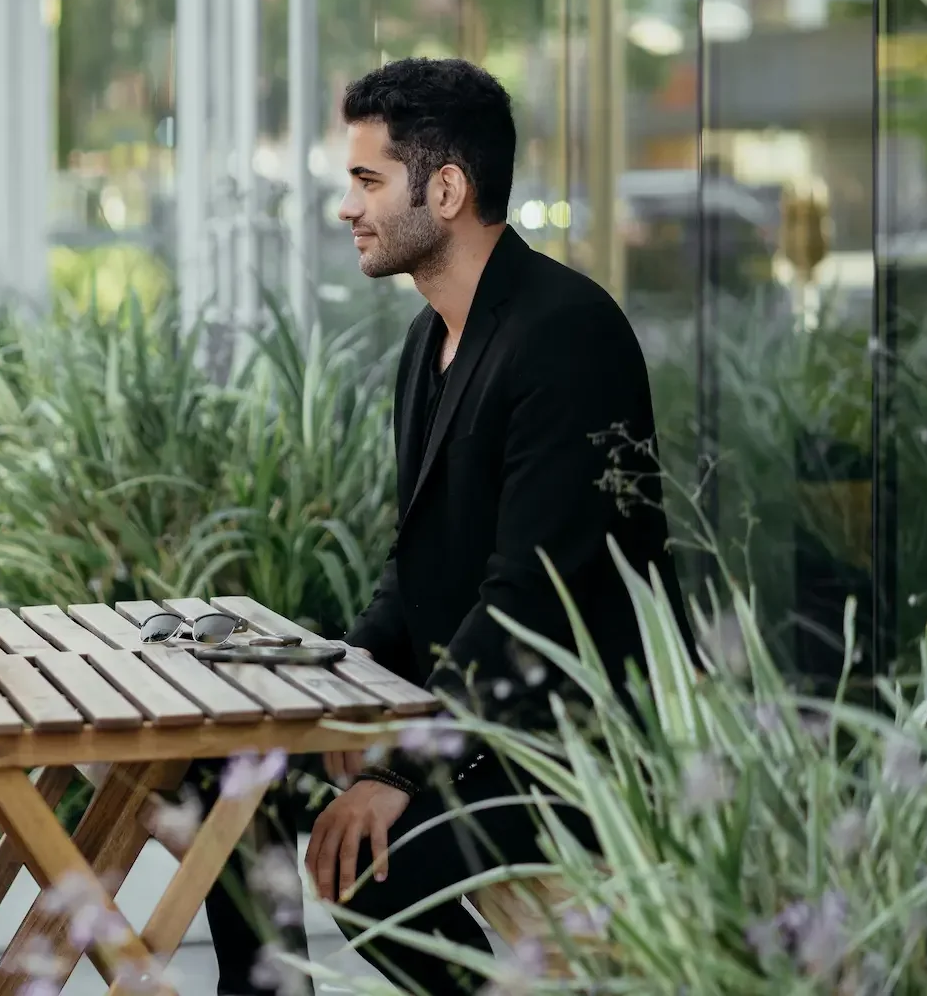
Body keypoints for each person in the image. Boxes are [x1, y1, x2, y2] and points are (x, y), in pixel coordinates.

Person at [201, 58, 682, 995]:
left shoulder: (565, 334)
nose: (348, 206)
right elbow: (414, 574)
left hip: (564, 745)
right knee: (232, 772)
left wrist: (405, 774)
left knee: (381, 868)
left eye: (368, 180)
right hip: (470, 716)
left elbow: (530, 604)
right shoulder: (429, 339)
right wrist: (324, 688)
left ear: (448, 189)